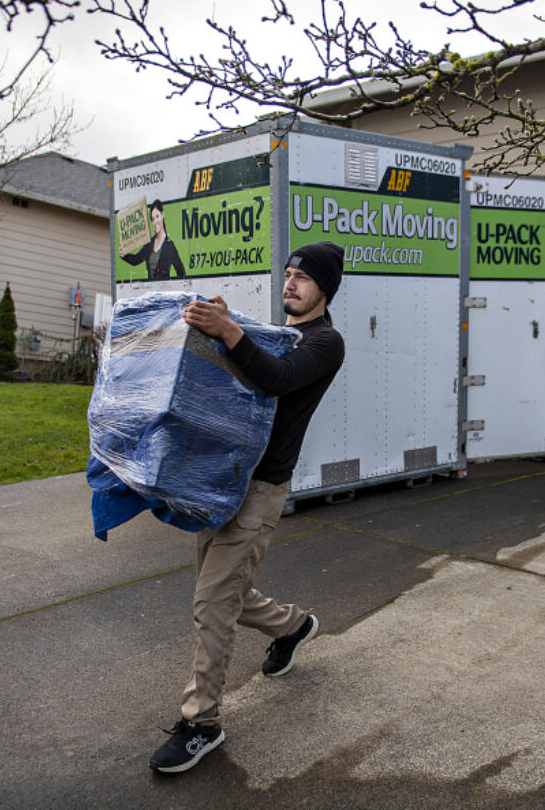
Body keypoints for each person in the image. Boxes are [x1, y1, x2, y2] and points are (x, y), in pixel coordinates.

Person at [149, 241, 347, 774]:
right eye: (287, 274)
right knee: (224, 592)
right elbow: (242, 372)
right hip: (222, 481)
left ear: (324, 288)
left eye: (302, 278)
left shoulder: (326, 342)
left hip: (260, 489)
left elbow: (277, 379)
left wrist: (229, 331)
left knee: (214, 601)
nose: (290, 284)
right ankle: (292, 627)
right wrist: (219, 327)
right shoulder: (278, 334)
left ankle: (201, 724)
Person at [122, 199, 185, 280]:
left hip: (164, 291)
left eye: (157, 217)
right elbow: (135, 260)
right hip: (151, 291)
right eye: (152, 219)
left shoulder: (169, 245)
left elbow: (181, 271)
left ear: (162, 215)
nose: (155, 222)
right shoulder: (149, 244)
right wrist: (123, 254)